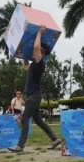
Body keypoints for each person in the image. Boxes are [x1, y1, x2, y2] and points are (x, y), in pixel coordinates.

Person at [8, 24, 61, 152]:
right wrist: (23, 50)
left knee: (25, 119)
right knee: (39, 121)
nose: (34, 51)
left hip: (34, 96)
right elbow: (25, 65)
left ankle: (20, 145)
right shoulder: (33, 66)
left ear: (42, 52)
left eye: (36, 50)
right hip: (33, 96)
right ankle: (55, 139)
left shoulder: (40, 63)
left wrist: (39, 33)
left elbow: (36, 47)